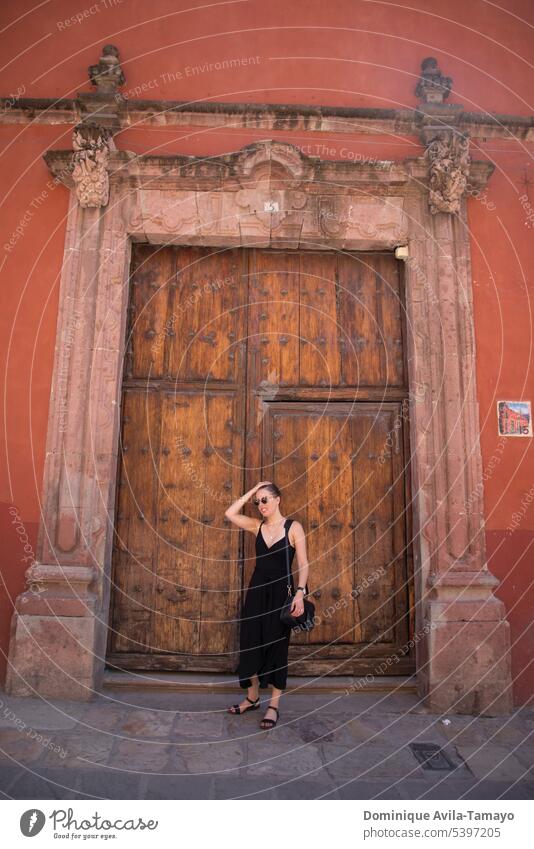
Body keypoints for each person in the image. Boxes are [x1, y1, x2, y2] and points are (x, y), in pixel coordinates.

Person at [225, 481, 309, 729]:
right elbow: (230, 513)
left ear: (277, 500)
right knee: (250, 642)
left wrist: (300, 593)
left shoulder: (294, 528)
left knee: (276, 646)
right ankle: (252, 698)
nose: (261, 505)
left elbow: (303, 563)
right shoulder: (256, 526)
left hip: (281, 594)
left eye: (265, 500)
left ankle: (273, 706)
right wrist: (251, 491)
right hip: (257, 592)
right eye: (257, 502)